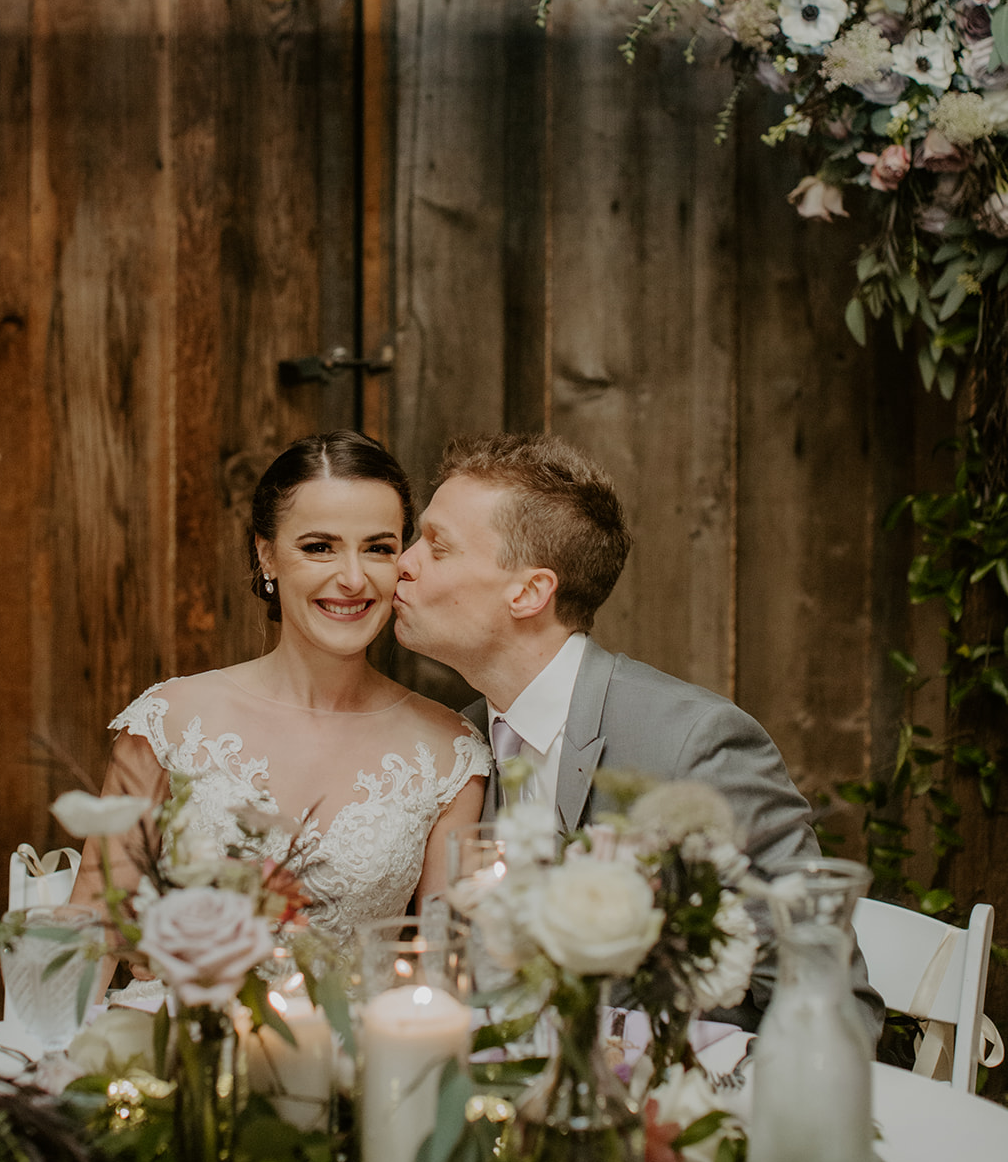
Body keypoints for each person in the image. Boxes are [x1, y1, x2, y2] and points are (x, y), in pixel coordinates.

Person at [392, 431, 883, 1037]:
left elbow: (833, 1007)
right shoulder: (455, 745)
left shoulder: (696, 744)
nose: (403, 562)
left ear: (529, 592)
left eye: (437, 546)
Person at [76, 431, 488, 961]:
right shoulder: (168, 725)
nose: (353, 578)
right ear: (266, 554)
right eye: (319, 547)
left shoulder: (448, 753)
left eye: (378, 548)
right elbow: (88, 943)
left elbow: (444, 967)